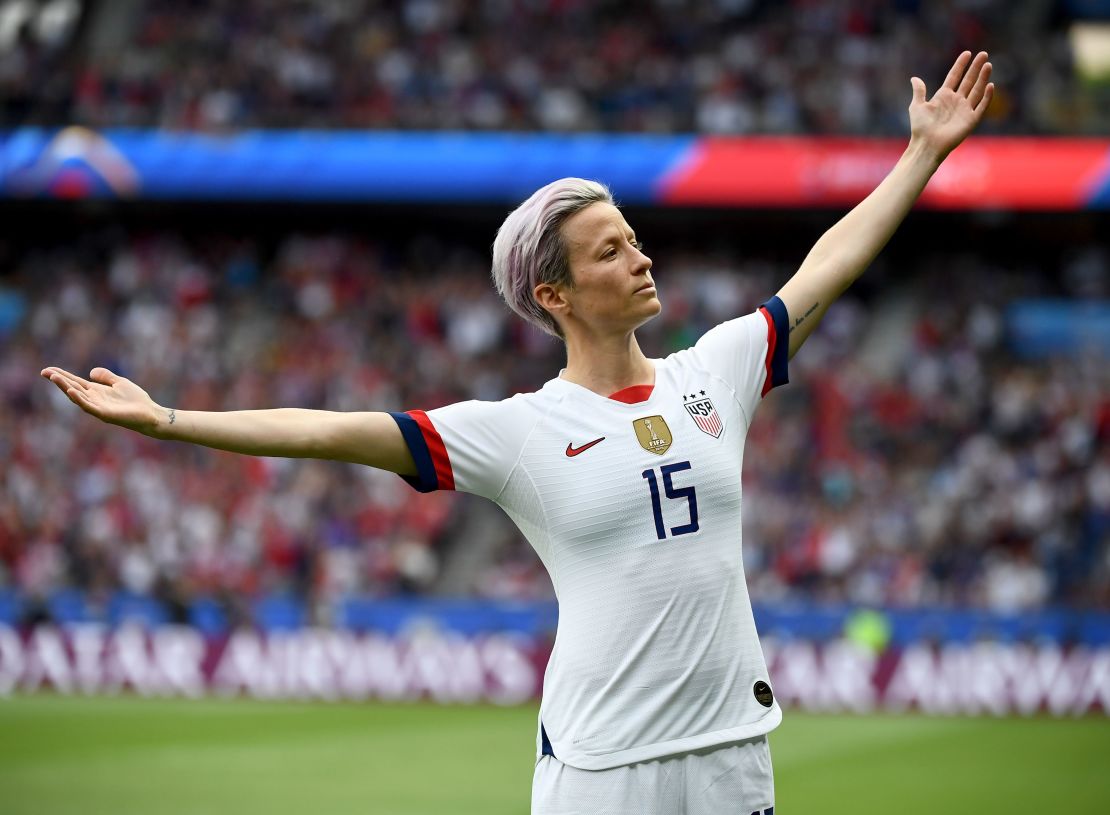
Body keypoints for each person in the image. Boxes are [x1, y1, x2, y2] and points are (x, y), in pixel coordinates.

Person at [42, 52, 993, 815]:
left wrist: (920, 156)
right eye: (611, 250)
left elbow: (826, 265)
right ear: (556, 293)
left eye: (634, 237)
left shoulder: (718, 371)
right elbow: (329, 431)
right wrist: (168, 419)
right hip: (601, 769)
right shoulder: (518, 432)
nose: (640, 255)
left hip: (732, 757)